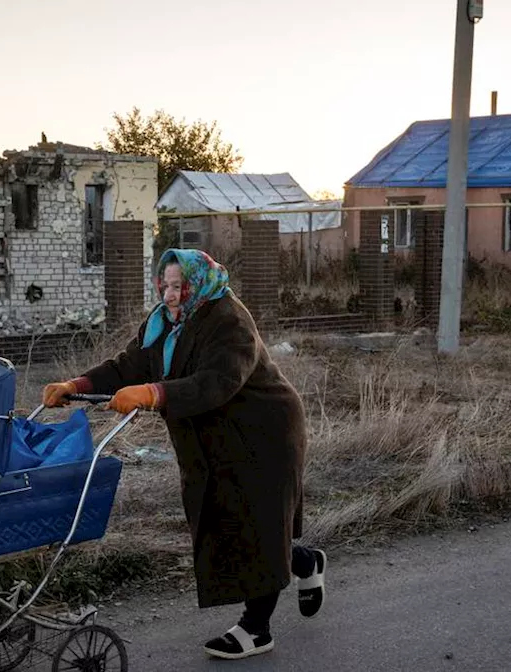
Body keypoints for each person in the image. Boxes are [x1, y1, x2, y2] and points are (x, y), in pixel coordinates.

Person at [42, 248, 326, 660]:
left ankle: (257, 628)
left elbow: (218, 381)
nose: (171, 294)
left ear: (197, 284)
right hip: (214, 438)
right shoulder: (164, 322)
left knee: (256, 524)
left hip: (263, 434)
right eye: (166, 285)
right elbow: (128, 366)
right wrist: (77, 384)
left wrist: (155, 392)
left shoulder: (229, 319)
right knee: (228, 520)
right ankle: (305, 562)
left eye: (179, 286)